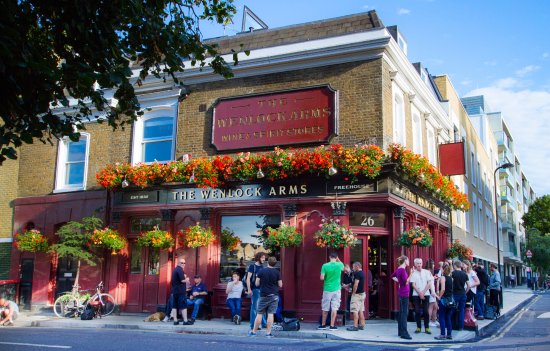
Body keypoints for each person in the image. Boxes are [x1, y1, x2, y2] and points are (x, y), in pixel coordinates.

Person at [248, 256, 282, 338]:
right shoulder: (277, 272)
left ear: (267, 262)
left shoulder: (261, 271)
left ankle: (253, 332)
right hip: (274, 295)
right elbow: (280, 285)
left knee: (259, 313)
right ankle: (268, 333)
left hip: (263, 295)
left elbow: (256, 284)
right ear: (275, 263)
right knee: (271, 314)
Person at [318, 252, 344, 330]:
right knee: (334, 308)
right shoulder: (339, 265)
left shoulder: (325, 265)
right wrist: (338, 259)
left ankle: (323, 325)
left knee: (325, 307)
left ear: (329, 257)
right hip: (336, 289)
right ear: (336, 258)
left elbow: (321, 278)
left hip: (327, 289)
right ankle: (332, 325)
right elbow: (343, 267)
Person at [409, 258, 434, 334]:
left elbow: (429, 283)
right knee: (417, 311)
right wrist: (420, 293)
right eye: (417, 263)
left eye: (420, 263)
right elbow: (413, 284)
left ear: (422, 264)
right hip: (416, 294)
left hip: (426, 294)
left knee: (426, 311)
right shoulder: (413, 273)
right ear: (415, 264)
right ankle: (418, 327)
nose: (419, 265)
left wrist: (423, 292)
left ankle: (427, 328)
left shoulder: (427, 272)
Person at [391, 255, 412, 340]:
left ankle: (400, 331)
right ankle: (404, 333)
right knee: (404, 313)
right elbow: (406, 282)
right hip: (404, 293)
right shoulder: (402, 270)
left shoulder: (399, 269)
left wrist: (398, 281)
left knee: (402, 312)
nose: (409, 262)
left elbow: (392, 276)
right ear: (405, 261)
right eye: (408, 260)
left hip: (402, 293)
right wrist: (411, 274)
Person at [247, 252, 267, 331]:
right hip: (255, 289)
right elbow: (248, 278)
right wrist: (249, 289)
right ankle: (253, 325)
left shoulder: (263, 267)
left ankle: (264, 324)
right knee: (255, 307)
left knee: (263, 307)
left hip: (263, 290)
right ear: (258, 258)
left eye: (264, 258)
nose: (264, 259)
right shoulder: (253, 266)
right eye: (262, 258)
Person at [434, 263, 453, 340]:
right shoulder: (451, 278)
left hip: (444, 299)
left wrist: (439, 297)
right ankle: (449, 334)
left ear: (442, 269)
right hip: (450, 299)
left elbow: (443, 289)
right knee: (448, 317)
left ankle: (442, 334)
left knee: (441, 317)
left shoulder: (442, 277)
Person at [171, 258, 192, 325]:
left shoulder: (175, 270)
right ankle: (185, 321)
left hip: (175, 291)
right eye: (181, 263)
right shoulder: (180, 270)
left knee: (175, 306)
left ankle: (175, 321)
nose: (183, 264)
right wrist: (187, 279)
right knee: (183, 306)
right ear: (178, 263)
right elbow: (182, 280)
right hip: (180, 291)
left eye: (184, 263)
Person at [346, 262, 366, 331]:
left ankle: (355, 326)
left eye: (354, 267)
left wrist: (353, 293)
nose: (353, 268)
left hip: (357, 295)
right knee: (361, 310)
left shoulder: (357, 274)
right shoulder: (362, 273)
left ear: (357, 266)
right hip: (362, 294)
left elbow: (356, 284)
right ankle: (362, 325)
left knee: (355, 310)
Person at [451, 259, 469, 331]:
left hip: (454, 294)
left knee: (451, 309)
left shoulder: (453, 273)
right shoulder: (465, 274)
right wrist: (465, 292)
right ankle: (461, 327)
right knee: (461, 310)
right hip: (463, 294)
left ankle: (448, 324)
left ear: (455, 266)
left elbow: (450, 283)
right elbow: (469, 285)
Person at [425, 259, 439, 328]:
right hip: (430, 291)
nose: (434, 265)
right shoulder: (428, 272)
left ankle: (433, 320)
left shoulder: (427, 271)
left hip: (431, 291)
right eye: (433, 264)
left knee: (435, 306)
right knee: (431, 307)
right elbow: (428, 282)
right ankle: (428, 321)